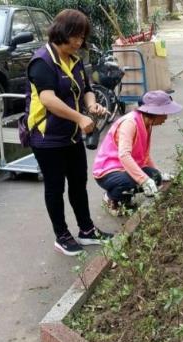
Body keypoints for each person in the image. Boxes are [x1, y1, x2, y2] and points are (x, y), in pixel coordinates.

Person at [24, 9, 112, 256]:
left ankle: (87, 230)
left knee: (78, 183)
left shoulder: (75, 59)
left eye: (82, 37)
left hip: (72, 135)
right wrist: (80, 117)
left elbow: (86, 88)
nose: (79, 42)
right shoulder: (42, 61)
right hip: (47, 138)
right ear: (61, 31)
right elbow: (48, 99)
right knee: (55, 188)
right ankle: (61, 235)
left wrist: (91, 104)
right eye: (75, 35)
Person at [92, 90, 183, 216]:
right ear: (154, 112)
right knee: (129, 182)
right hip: (108, 171)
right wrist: (144, 180)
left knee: (155, 177)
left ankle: (125, 200)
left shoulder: (146, 124)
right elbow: (124, 155)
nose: (166, 117)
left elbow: (144, 155)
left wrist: (158, 174)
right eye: (165, 113)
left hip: (124, 168)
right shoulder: (130, 123)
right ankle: (110, 198)